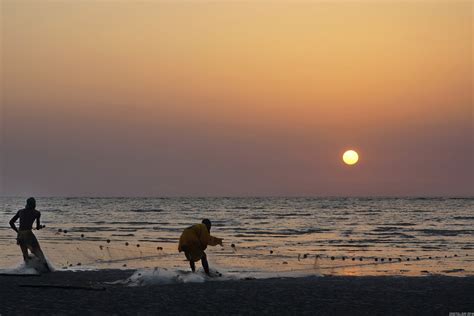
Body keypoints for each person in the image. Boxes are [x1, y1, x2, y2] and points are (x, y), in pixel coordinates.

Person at [9, 197, 50, 271]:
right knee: (38, 251)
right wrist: (40, 227)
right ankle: (47, 269)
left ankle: (27, 269)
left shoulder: (20, 211)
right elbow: (37, 227)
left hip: (20, 235)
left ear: (27, 203)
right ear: (34, 204)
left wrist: (17, 231)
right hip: (28, 234)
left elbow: (11, 222)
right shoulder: (37, 213)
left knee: (25, 254)